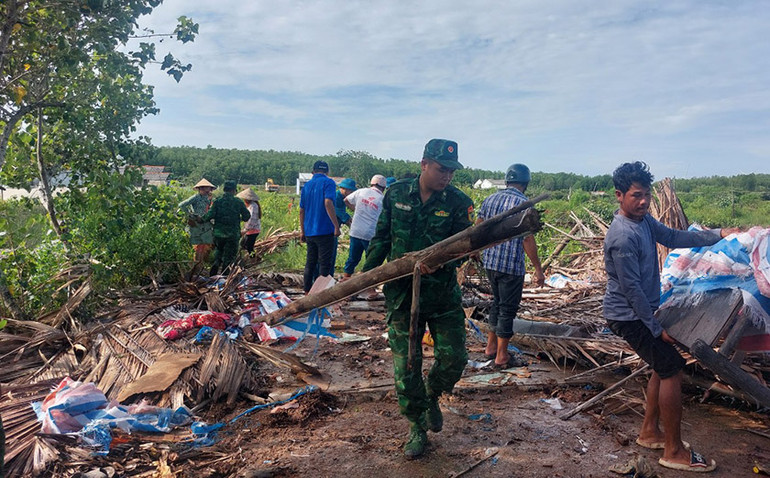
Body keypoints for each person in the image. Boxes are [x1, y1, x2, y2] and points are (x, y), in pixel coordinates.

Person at [603, 161, 739, 473]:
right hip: (628, 316)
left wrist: (719, 234)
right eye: (636, 196)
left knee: (662, 366)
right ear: (619, 195)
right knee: (672, 369)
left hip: (640, 312)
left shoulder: (644, 221)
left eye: (647, 195)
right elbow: (632, 289)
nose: (643, 201)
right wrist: (654, 327)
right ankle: (673, 450)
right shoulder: (622, 236)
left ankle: (650, 432)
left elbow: (674, 237)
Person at [362, 139, 474, 459]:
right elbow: (382, 237)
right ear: (424, 164)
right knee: (407, 366)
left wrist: (441, 262)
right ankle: (417, 427)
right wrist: (365, 276)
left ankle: (433, 392)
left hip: (442, 295)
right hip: (401, 294)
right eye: (441, 169)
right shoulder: (396, 194)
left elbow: (465, 250)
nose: (447, 176)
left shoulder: (458, 202)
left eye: (452, 171)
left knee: (455, 358)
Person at [476, 163, 545, 369]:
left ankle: (490, 348)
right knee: (507, 309)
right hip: (510, 266)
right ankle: (502, 356)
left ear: (507, 180)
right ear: (525, 183)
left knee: (497, 303)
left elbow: (478, 228)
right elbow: (527, 240)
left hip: (490, 262)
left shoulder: (490, 199)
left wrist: (478, 254)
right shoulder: (525, 204)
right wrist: (539, 270)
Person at [300, 160, 340, 293]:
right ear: (327, 172)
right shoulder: (329, 183)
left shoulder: (307, 186)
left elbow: (302, 210)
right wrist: (336, 226)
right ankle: (322, 294)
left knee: (310, 263)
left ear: (313, 171)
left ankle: (307, 291)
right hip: (324, 230)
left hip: (310, 231)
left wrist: (302, 231)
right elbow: (328, 202)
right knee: (325, 264)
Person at [342, 174, 386, 279]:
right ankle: (369, 285)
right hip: (370, 234)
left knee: (352, 259)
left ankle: (345, 279)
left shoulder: (361, 191)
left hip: (356, 231)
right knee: (371, 260)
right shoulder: (382, 199)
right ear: (383, 188)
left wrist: (356, 209)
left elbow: (346, 200)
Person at [202, 180, 250, 276]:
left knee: (218, 253)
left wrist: (200, 219)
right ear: (234, 190)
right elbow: (246, 217)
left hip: (218, 234)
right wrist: (238, 218)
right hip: (232, 235)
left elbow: (208, 216)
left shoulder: (217, 201)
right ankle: (224, 278)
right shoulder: (238, 202)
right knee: (229, 258)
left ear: (224, 190)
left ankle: (214, 272)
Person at [178, 178, 215, 263]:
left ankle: (201, 263)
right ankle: (196, 264)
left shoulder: (207, 198)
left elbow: (208, 209)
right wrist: (191, 215)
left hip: (205, 223)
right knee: (198, 245)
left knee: (204, 245)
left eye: (209, 189)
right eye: (207, 188)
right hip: (197, 223)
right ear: (201, 188)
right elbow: (181, 205)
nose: (209, 190)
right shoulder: (196, 197)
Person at [331, 178, 357, 273]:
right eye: (351, 191)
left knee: (333, 253)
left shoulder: (342, 198)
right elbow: (338, 211)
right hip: (332, 228)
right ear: (344, 189)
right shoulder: (336, 197)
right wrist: (349, 221)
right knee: (330, 254)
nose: (351, 193)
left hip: (335, 227)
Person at [237, 188, 262, 255]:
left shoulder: (253, 206)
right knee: (244, 245)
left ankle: (253, 260)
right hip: (252, 230)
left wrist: (245, 230)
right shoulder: (252, 205)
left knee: (249, 247)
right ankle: (251, 258)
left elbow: (251, 220)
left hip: (253, 230)